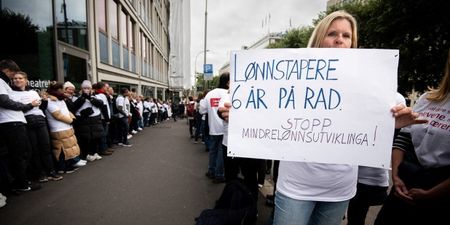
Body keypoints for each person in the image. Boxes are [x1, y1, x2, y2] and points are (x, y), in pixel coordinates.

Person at [218, 10, 426, 225]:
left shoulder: (369, 85)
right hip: (296, 187)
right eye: (332, 33)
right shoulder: (293, 78)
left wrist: (393, 122)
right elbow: (270, 113)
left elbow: (374, 124)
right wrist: (241, 115)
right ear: (319, 39)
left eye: (347, 36)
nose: (339, 40)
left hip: (339, 189)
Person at [375, 49, 450, 225]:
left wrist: (431, 194)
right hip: (405, 185)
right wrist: (396, 177)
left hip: (440, 196)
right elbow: (404, 138)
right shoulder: (428, 98)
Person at [11, 71, 63, 182]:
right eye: (15, 78)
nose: (17, 80)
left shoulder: (33, 92)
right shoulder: (11, 93)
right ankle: (40, 174)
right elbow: (18, 108)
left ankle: (51, 172)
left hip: (40, 120)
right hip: (27, 121)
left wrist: (44, 101)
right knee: (34, 149)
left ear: (26, 80)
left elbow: (41, 108)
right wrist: (31, 105)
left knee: (45, 147)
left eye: (20, 78)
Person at [0, 59, 41, 192]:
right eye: (13, 74)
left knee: (23, 153)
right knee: (20, 154)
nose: (13, 78)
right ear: (7, 70)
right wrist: (27, 105)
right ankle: (22, 184)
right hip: (11, 123)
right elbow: (5, 102)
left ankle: (21, 181)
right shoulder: (0, 81)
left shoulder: (4, 83)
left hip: (15, 122)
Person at [44, 81, 85, 174]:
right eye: (62, 89)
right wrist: (70, 120)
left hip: (66, 126)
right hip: (58, 128)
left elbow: (67, 111)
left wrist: (73, 118)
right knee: (61, 149)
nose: (63, 91)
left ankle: (70, 163)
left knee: (68, 147)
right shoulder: (50, 100)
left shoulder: (60, 99)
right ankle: (62, 167)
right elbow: (57, 115)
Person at [204, 73, 229, 184]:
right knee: (220, 153)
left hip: (213, 127)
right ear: (228, 82)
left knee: (213, 150)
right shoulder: (229, 93)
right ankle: (219, 175)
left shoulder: (210, 94)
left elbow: (202, 110)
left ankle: (211, 170)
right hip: (225, 128)